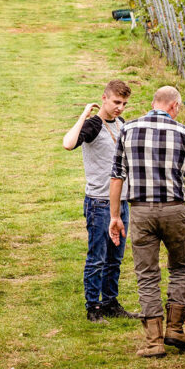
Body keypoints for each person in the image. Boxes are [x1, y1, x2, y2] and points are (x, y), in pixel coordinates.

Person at [108, 86, 185, 358]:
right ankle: (175, 328)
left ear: (154, 103)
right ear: (174, 106)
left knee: (147, 275)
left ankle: (154, 342)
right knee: (180, 267)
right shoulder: (184, 133)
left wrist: (115, 216)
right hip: (173, 210)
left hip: (140, 211)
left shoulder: (128, 129)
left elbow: (117, 175)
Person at [62, 80, 138, 323]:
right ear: (104, 98)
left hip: (121, 202)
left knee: (115, 258)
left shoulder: (122, 124)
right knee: (98, 257)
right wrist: (85, 114)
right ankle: (93, 307)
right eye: (116, 102)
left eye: (124, 104)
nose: (120, 108)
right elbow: (68, 143)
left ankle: (110, 302)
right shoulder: (93, 125)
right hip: (99, 202)